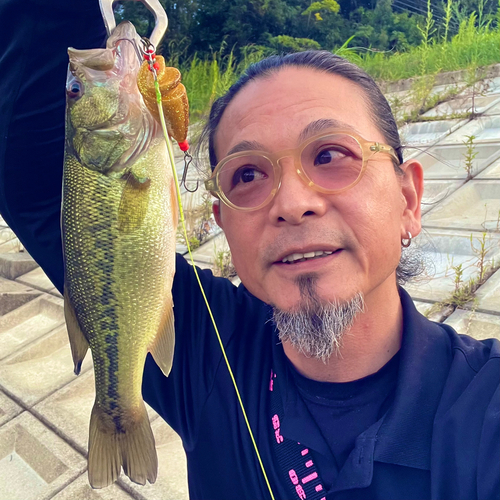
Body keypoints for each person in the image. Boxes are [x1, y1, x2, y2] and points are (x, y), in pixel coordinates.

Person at [0, 2, 498, 499]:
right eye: (249, 175)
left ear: (408, 198)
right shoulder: (208, 348)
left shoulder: (487, 407)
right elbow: (37, 189)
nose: (293, 203)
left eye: (330, 155)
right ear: (225, 225)